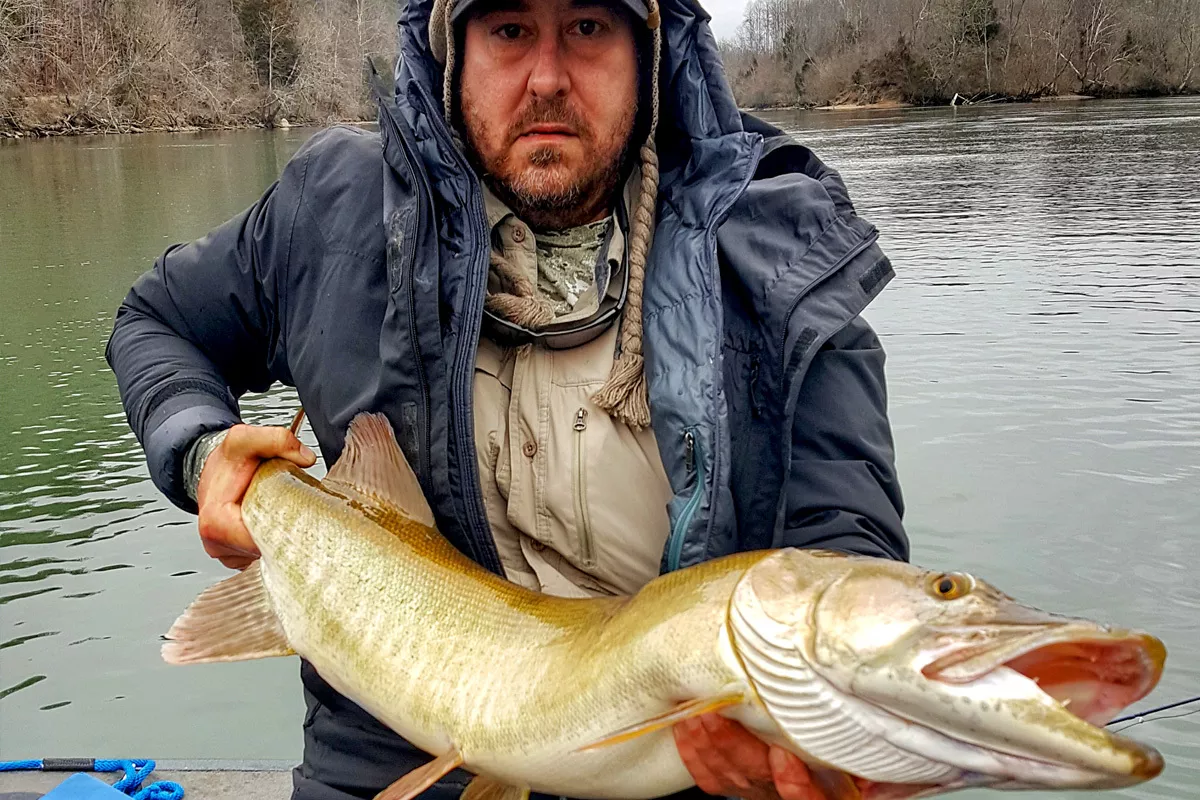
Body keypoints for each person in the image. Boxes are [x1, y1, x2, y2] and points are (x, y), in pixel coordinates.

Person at [105, 0, 908, 797]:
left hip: (693, 776)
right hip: (384, 771)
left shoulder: (785, 252)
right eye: (510, 30)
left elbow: (843, 554)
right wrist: (203, 449)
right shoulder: (328, 208)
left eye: (588, 27)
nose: (548, 79)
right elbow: (156, 322)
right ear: (452, 49)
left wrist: (848, 727)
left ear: (652, 50)